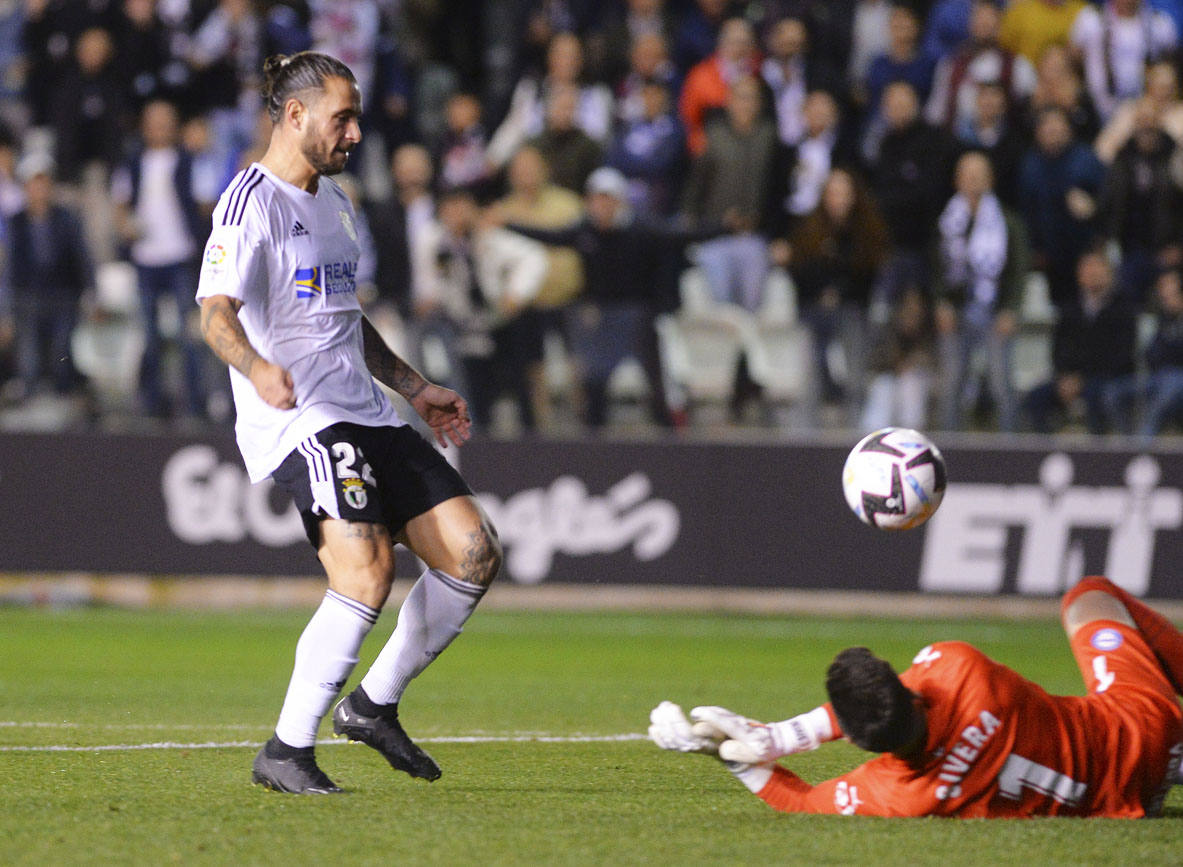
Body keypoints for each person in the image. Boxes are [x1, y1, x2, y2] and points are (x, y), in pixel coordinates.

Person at [196, 52, 501, 795]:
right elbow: (214, 313)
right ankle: (286, 750)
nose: (356, 132)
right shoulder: (249, 202)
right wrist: (256, 368)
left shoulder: (335, 202)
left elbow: (342, 317)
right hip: (301, 419)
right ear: (294, 115)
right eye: (343, 117)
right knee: (365, 571)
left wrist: (414, 385)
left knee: (472, 553)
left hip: (367, 410)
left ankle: (372, 705)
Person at [650, 575, 1183, 817]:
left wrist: (740, 760)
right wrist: (785, 736)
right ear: (909, 688)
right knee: (1089, 595)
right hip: (1146, 725)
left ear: (864, 747)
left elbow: (803, 802)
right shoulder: (964, 670)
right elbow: (902, 690)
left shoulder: (902, 796)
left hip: (1123, 799)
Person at [112, 99, 208, 421]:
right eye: (154, 121)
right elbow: (121, 203)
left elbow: (205, 199)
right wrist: (126, 227)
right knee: (150, 336)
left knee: (189, 337)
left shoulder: (188, 159)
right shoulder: (134, 161)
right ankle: (152, 405)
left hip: (180, 254)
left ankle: (195, 405)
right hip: (146, 257)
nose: (160, 127)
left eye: (166, 121)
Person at [934, 151, 1027, 432]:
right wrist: (941, 302)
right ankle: (948, 445)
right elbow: (938, 265)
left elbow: (1017, 268)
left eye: (979, 174)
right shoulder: (947, 221)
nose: (973, 180)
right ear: (957, 180)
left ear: (990, 180)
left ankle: (1009, 446)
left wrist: (1011, 308)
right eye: (967, 174)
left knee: (1001, 382)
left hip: (994, 309)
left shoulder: (1007, 222)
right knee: (951, 382)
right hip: (957, 309)